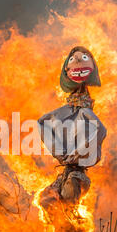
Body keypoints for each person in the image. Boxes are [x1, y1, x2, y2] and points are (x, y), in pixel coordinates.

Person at [38, 46, 107, 208]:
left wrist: (79, 152)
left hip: (77, 173)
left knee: (69, 196)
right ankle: (62, 221)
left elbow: (101, 129)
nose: (76, 61)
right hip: (67, 169)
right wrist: (60, 153)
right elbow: (42, 123)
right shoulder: (68, 111)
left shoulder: (84, 112)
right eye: (72, 59)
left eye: (82, 58)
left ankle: (70, 223)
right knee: (45, 200)